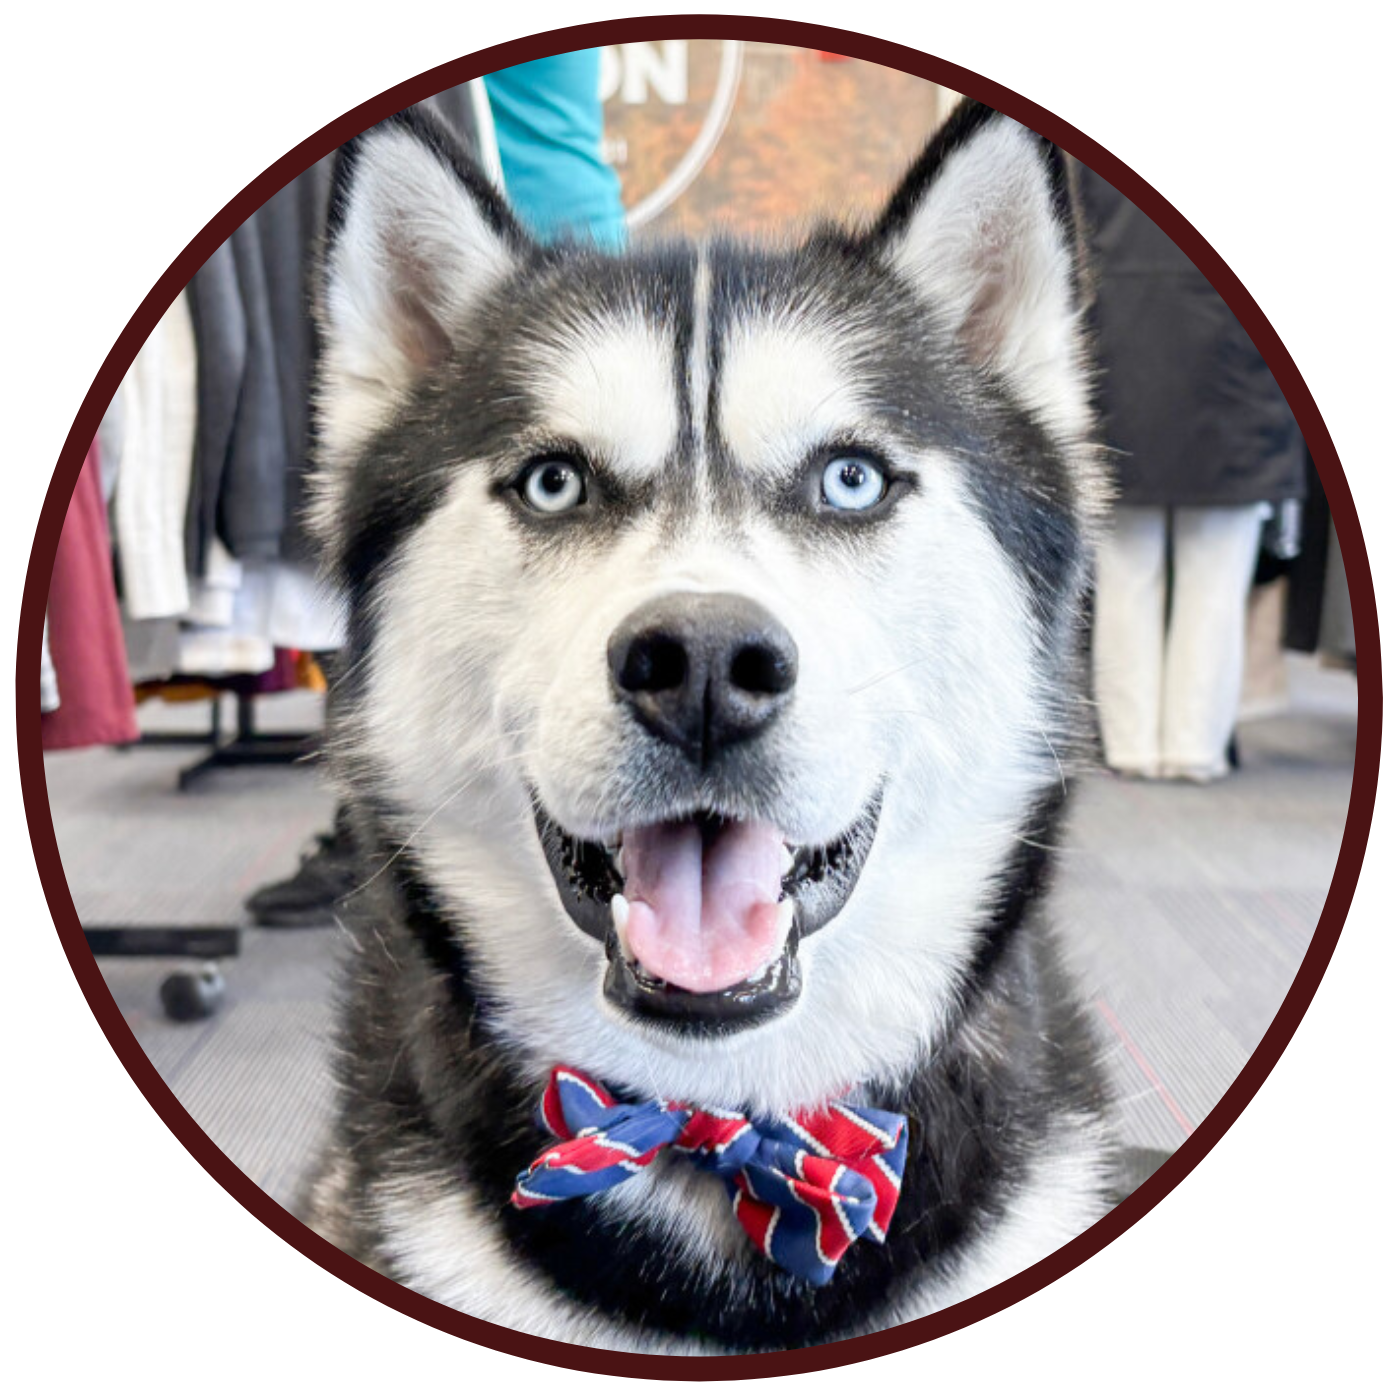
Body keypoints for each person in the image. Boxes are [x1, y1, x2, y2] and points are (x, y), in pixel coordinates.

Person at [246, 52, 626, 926]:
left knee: (423, 555)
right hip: (539, 254)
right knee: (426, 560)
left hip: (504, 261)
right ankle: (384, 815)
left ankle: (382, 827)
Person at [1078, 163, 1305, 783]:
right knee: (1216, 578)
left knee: (1125, 576)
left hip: (1123, 362)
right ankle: (1193, 745)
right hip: (1235, 370)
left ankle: (1131, 745)